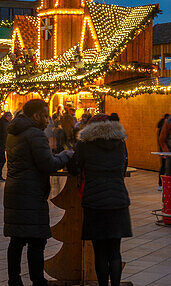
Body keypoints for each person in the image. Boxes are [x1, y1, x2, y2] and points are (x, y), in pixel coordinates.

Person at [4, 99, 72, 286]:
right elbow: (48, 164)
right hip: (31, 193)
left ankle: (14, 280)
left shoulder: (14, 131)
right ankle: (38, 280)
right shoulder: (35, 134)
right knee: (36, 240)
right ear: (35, 115)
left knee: (16, 239)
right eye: (45, 114)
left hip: (15, 190)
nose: (48, 120)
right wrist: (64, 156)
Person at [68, 114, 131, 286]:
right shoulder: (120, 143)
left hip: (95, 201)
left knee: (100, 252)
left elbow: (74, 168)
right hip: (118, 200)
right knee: (115, 251)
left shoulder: (85, 144)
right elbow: (124, 167)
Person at [156, 113, 169, 189]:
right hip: (165, 151)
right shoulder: (163, 129)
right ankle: (161, 184)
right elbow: (161, 141)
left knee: (164, 167)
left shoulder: (163, 128)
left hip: (164, 151)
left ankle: (162, 184)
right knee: (164, 167)